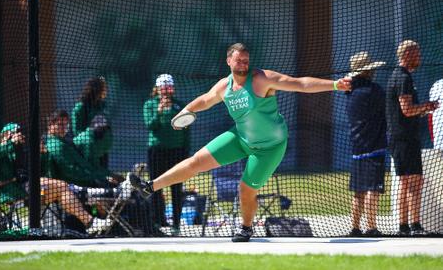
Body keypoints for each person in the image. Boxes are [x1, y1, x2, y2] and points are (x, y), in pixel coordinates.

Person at [131, 43, 351, 242]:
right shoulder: (223, 86)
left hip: (269, 147)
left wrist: (334, 85)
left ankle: (246, 227)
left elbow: (300, 84)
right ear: (229, 61)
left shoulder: (261, 78)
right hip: (240, 137)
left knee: (245, 189)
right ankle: (150, 187)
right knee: (196, 161)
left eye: (246, 60)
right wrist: (186, 111)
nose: (244, 64)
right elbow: (206, 99)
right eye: (239, 60)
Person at [0, 123, 112, 234]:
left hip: (30, 188)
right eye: (17, 132)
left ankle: (90, 219)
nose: (21, 135)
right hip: (12, 192)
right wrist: (10, 144)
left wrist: (43, 155)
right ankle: (90, 219)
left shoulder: (19, 149)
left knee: (62, 188)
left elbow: (41, 171)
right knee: (61, 187)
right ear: (7, 134)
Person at [386, 40, 439, 236]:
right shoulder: (404, 78)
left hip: (401, 137)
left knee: (406, 181)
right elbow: (407, 110)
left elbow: (405, 112)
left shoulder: (397, 76)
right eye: (417, 54)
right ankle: (413, 226)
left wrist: (423, 111)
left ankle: (405, 226)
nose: (420, 57)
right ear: (407, 55)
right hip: (404, 139)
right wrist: (427, 106)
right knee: (413, 182)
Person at [345, 52, 387, 237]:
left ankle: (355, 227)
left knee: (358, 190)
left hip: (357, 147)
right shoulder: (375, 90)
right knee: (372, 189)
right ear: (368, 71)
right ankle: (371, 227)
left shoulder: (350, 91)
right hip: (374, 146)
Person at [143, 74, 190, 233]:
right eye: (163, 88)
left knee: (177, 188)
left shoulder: (180, 106)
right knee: (155, 186)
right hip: (156, 152)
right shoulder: (150, 105)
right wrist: (159, 110)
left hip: (177, 152)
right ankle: (158, 222)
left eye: (168, 88)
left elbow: (186, 131)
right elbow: (150, 125)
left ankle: (176, 224)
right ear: (157, 89)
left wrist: (186, 153)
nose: (166, 91)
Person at [71, 77, 110, 168]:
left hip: (101, 148)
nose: (106, 90)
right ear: (97, 89)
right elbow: (77, 131)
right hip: (86, 150)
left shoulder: (103, 106)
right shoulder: (81, 107)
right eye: (104, 87)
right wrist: (89, 139)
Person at [429, 79, 443, 150]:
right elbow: (431, 116)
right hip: (440, 144)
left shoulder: (437, 85)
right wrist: (434, 139)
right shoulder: (437, 85)